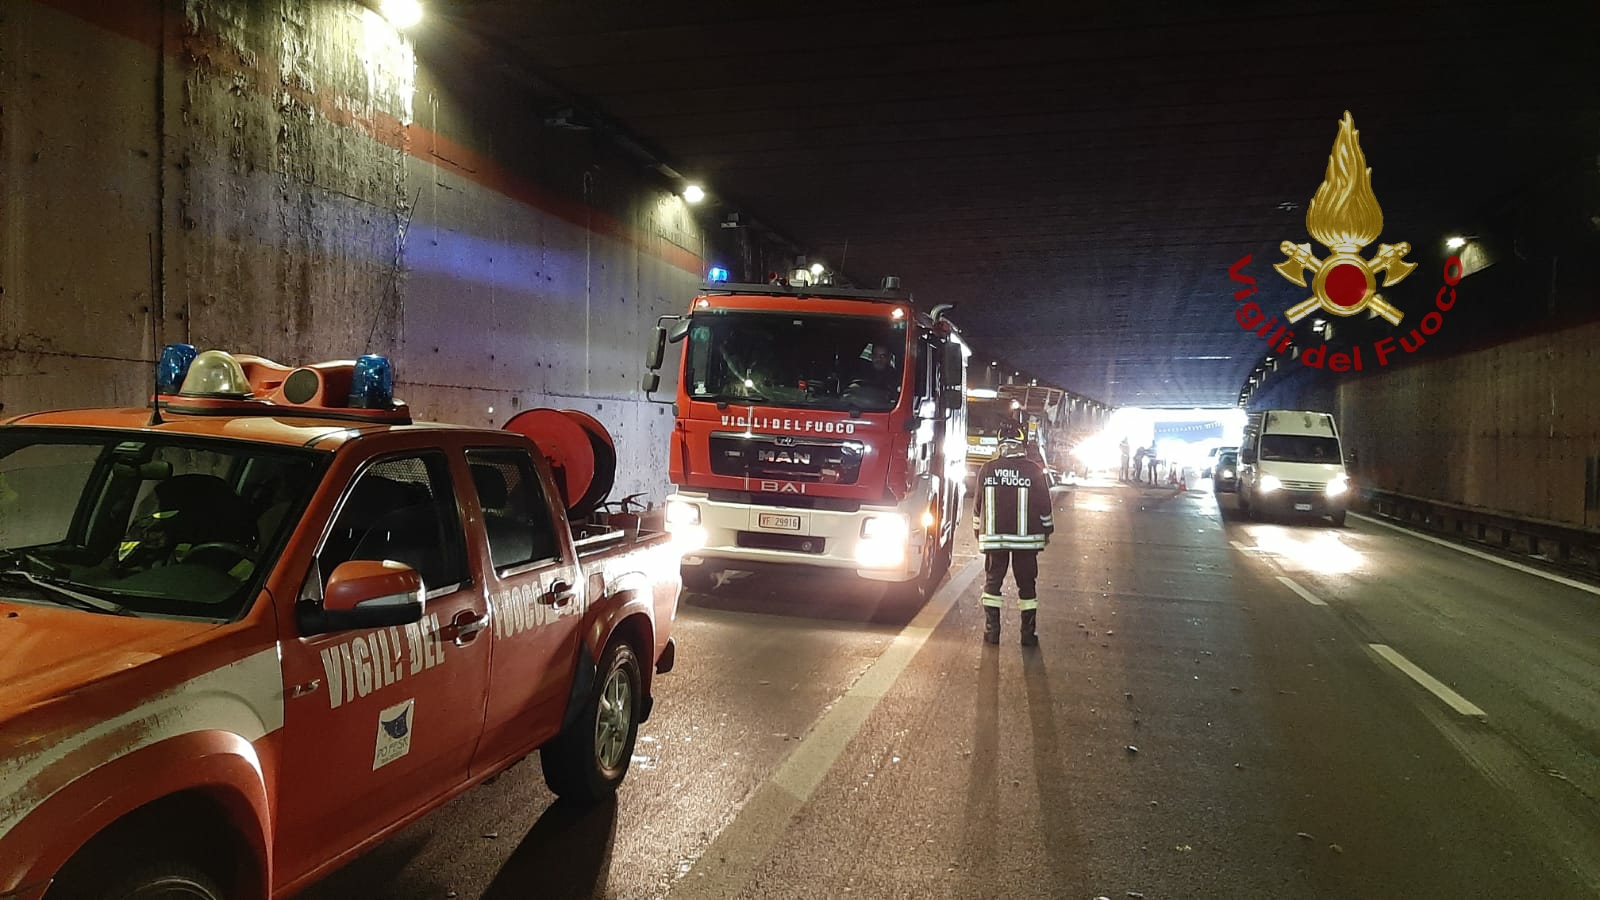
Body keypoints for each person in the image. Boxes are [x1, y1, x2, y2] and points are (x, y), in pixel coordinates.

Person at [972, 425, 1055, 646]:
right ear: (1023, 444)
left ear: (999, 444)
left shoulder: (987, 469)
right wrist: (1047, 530)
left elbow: (978, 506)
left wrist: (978, 532)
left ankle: (992, 632)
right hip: (1026, 543)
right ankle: (1028, 635)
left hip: (994, 540)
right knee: (1027, 586)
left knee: (992, 584)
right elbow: (1045, 506)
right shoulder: (1034, 470)